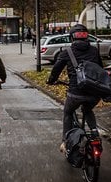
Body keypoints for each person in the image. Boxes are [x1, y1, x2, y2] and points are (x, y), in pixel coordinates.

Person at [46, 24, 103, 153]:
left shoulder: (67, 52)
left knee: (68, 112)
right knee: (87, 109)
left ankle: (65, 143)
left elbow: (56, 70)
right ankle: (94, 133)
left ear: (72, 38)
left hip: (75, 92)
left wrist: (51, 81)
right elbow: (100, 68)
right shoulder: (94, 50)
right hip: (94, 92)